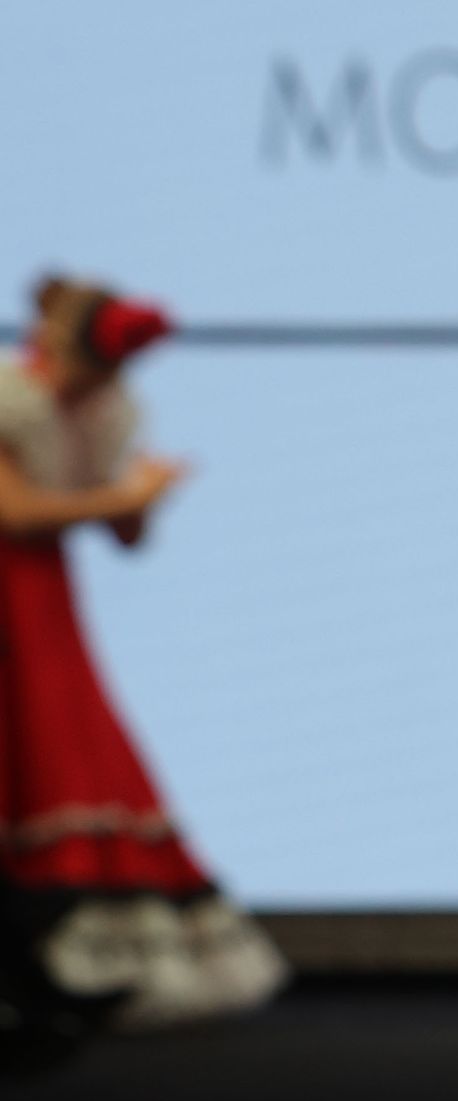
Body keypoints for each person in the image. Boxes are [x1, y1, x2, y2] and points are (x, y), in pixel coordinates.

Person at [0, 274, 286, 1045]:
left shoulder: (92, 411)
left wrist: (139, 495)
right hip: (11, 591)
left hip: (44, 601)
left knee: (61, 754)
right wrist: (120, 501)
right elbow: (13, 511)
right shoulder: (11, 397)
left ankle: (45, 968)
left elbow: (118, 532)